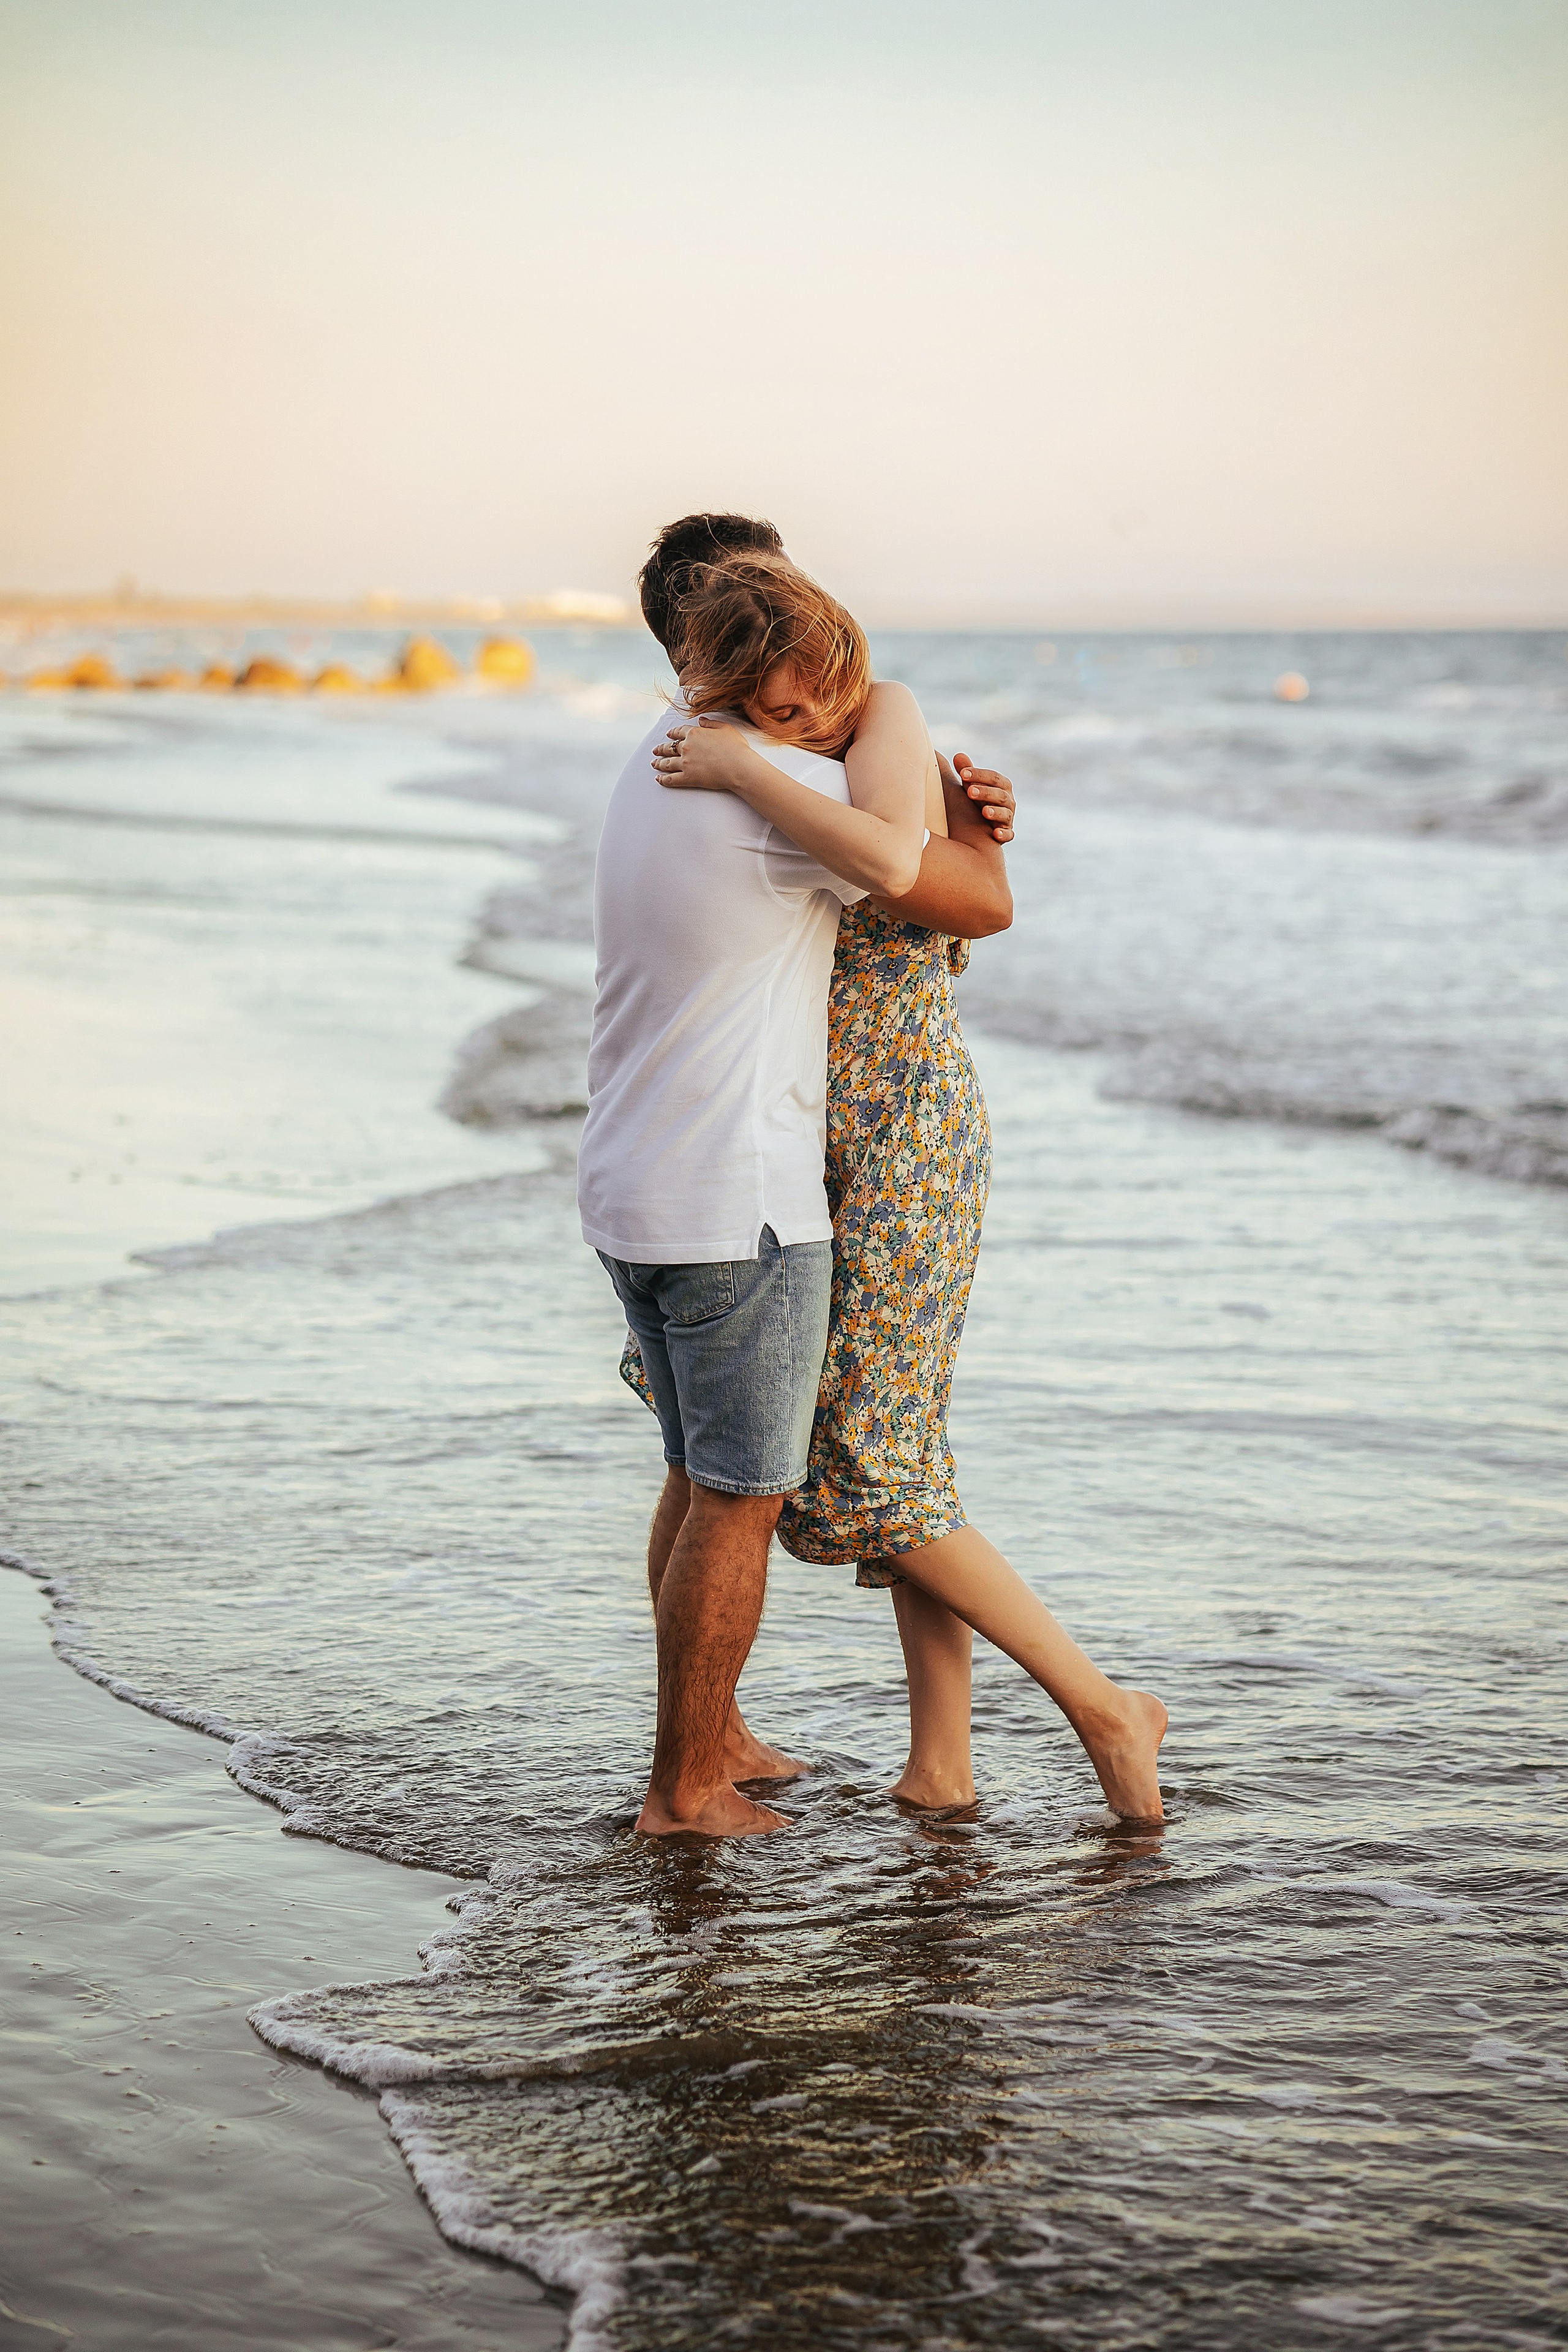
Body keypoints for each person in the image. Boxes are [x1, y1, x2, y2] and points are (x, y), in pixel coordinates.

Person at [650, 547, 1168, 1825]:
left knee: (879, 1459)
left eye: (826, 689)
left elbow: (957, 895)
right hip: (787, 1140)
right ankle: (933, 1761)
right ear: (698, 668)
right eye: (781, 707)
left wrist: (781, 770)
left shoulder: (870, 730)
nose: (816, 717)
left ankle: (1103, 1707)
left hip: (899, 1139)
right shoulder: (732, 754)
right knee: (863, 1453)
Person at [578, 524, 929, 1836]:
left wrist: (760, 744)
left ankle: (707, 1735)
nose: (821, 714)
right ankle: (683, 1789)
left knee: (690, 1473)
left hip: (632, 1185)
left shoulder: (653, 760)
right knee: (740, 1498)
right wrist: (881, 717)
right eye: (795, 695)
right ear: (726, 681)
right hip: (738, 1201)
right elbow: (903, 866)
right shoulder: (763, 795)